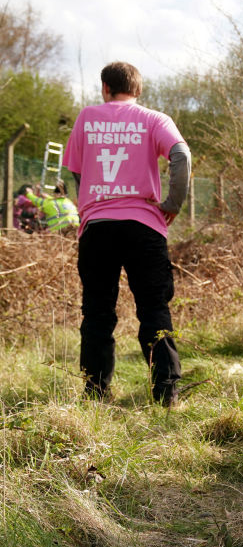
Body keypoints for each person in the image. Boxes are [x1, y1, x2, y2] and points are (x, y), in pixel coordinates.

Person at [65, 61, 191, 406]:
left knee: (97, 311)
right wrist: (173, 203)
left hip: (97, 228)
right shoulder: (155, 119)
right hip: (144, 226)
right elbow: (181, 155)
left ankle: (95, 393)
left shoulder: (87, 117)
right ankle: (166, 393)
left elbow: (76, 171)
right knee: (153, 308)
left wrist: (90, 203)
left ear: (105, 87)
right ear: (138, 89)